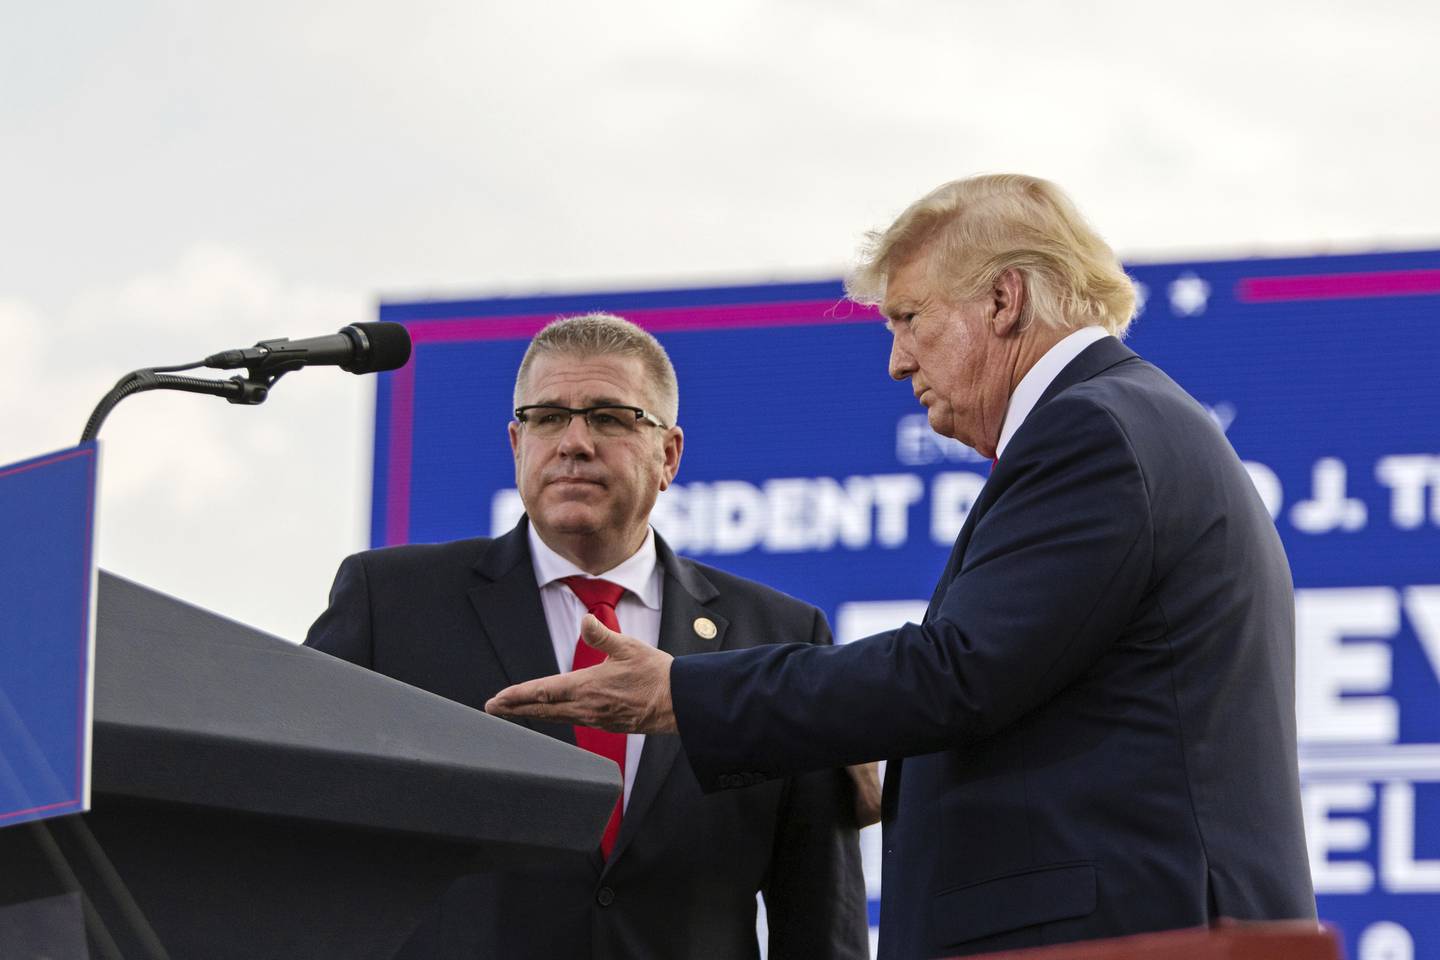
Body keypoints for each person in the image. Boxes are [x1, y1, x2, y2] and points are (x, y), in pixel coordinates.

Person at [487, 175, 1318, 958]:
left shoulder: (1093, 432)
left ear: (1004, 299)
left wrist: (683, 692)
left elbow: (957, 673)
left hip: (1123, 932)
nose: (896, 360)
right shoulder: (1135, 419)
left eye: (911, 318)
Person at [305, 313, 870, 960]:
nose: (574, 441)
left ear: (669, 455)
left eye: (610, 417)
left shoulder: (779, 637)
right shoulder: (391, 604)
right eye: (547, 418)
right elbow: (304, 838)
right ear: (516, 443)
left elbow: (820, 911)